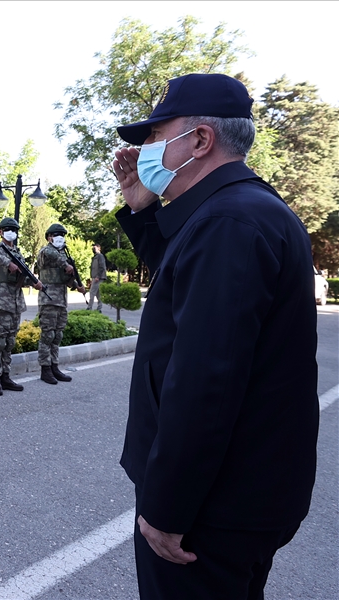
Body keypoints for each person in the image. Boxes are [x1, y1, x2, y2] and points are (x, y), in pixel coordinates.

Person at [111, 73, 319, 599]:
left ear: (200, 140)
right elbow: (183, 282)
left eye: (157, 136)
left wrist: (167, 509)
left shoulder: (229, 222)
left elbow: (206, 379)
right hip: (238, 495)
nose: (145, 150)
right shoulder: (238, 212)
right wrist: (143, 209)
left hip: (211, 508)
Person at [0, 218, 42, 396]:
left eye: (13, 230)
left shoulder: (19, 253)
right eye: (7, 229)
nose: (11, 233)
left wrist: (36, 282)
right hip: (0, 301)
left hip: (15, 302)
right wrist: (8, 263)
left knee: (9, 342)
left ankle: (5, 376)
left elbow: (23, 275)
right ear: (0, 232)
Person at [37, 223, 85, 385]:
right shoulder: (46, 252)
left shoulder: (63, 254)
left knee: (57, 336)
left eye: (62, 235)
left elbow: (66, 277)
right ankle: (45, 369)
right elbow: (52, 255)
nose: (60, 238)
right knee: (47, 335)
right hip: (49, 299)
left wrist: (76, 284)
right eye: (57, 235)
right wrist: (66, 265)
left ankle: (54, 366)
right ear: (49, 237)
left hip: (61, 300)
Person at [88, 243, 107, 312]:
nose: (93, 248)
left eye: (94, 247)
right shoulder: (95, 257)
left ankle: (89, 307)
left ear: (99, 248)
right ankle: (99, 308)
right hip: (95, 277)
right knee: (98, 293)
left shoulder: (100, 256)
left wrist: (97, 276)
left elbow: (102, 267)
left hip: (98, 277)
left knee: (92, 292)